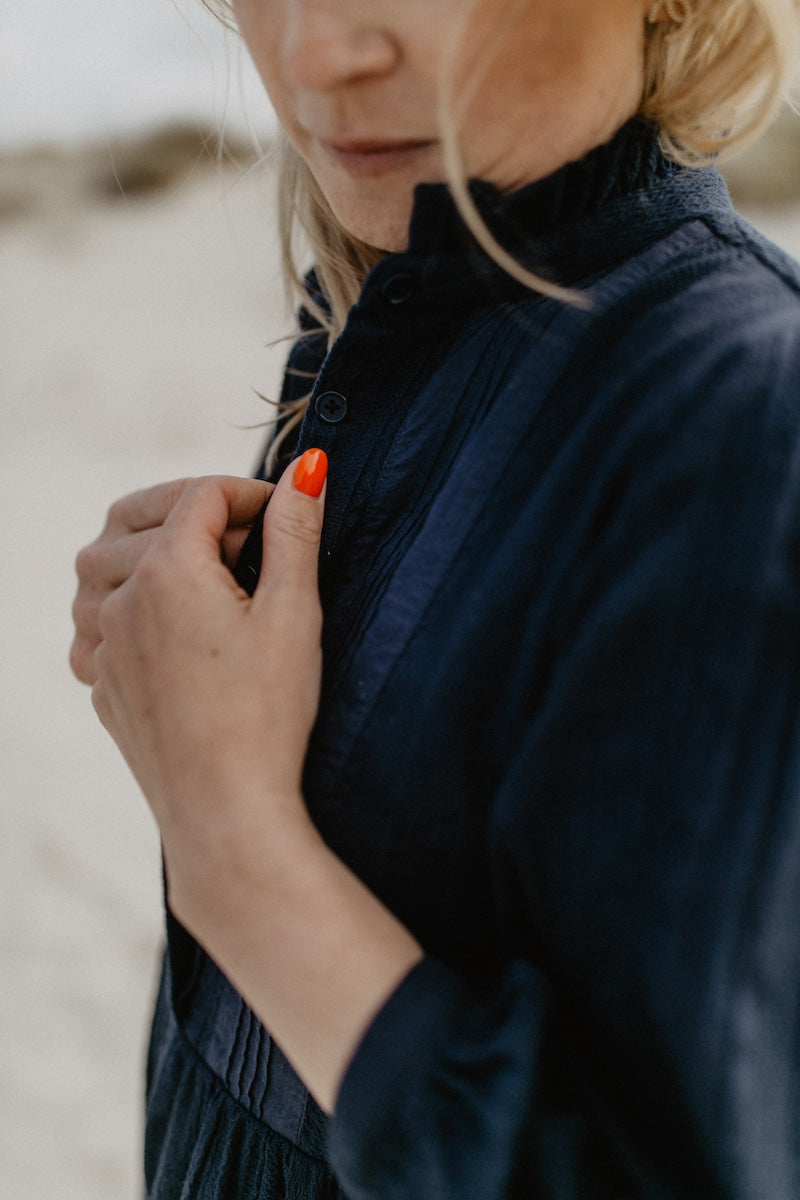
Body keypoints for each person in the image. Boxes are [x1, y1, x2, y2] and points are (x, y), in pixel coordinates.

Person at [69, 0, 800, 1196]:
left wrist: (231, 845)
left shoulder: (742, 420)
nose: (314, 56)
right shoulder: (369, 309)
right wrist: (179, 670)